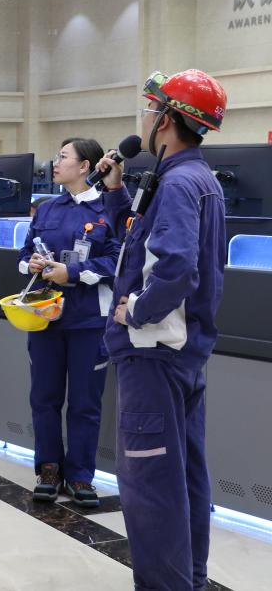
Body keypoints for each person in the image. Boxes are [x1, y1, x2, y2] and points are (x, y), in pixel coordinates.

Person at [98, 69, 228, 590]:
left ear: (168, 121)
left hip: (153, 354)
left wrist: (137, 310)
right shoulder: (196, 180)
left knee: (150, 486)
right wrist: (115, 193)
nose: (145, 117)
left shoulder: (177, 183)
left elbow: (175, 267)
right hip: (183, 354)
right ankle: (188, 580)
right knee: (185, 477)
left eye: (151, 109)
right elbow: (144, 246)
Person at [17, 138, 120, 507]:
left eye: (62, 157)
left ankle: (80, 475)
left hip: (88, 321)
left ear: (84, 166)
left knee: (84, 402)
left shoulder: (109, 208)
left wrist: (72, 273)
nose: (55, 163)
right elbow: (25, 253)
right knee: (44, 398)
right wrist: (30, 263)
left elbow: (117, 262)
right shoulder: (46, 208)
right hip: (46, 317)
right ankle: (48, 469)